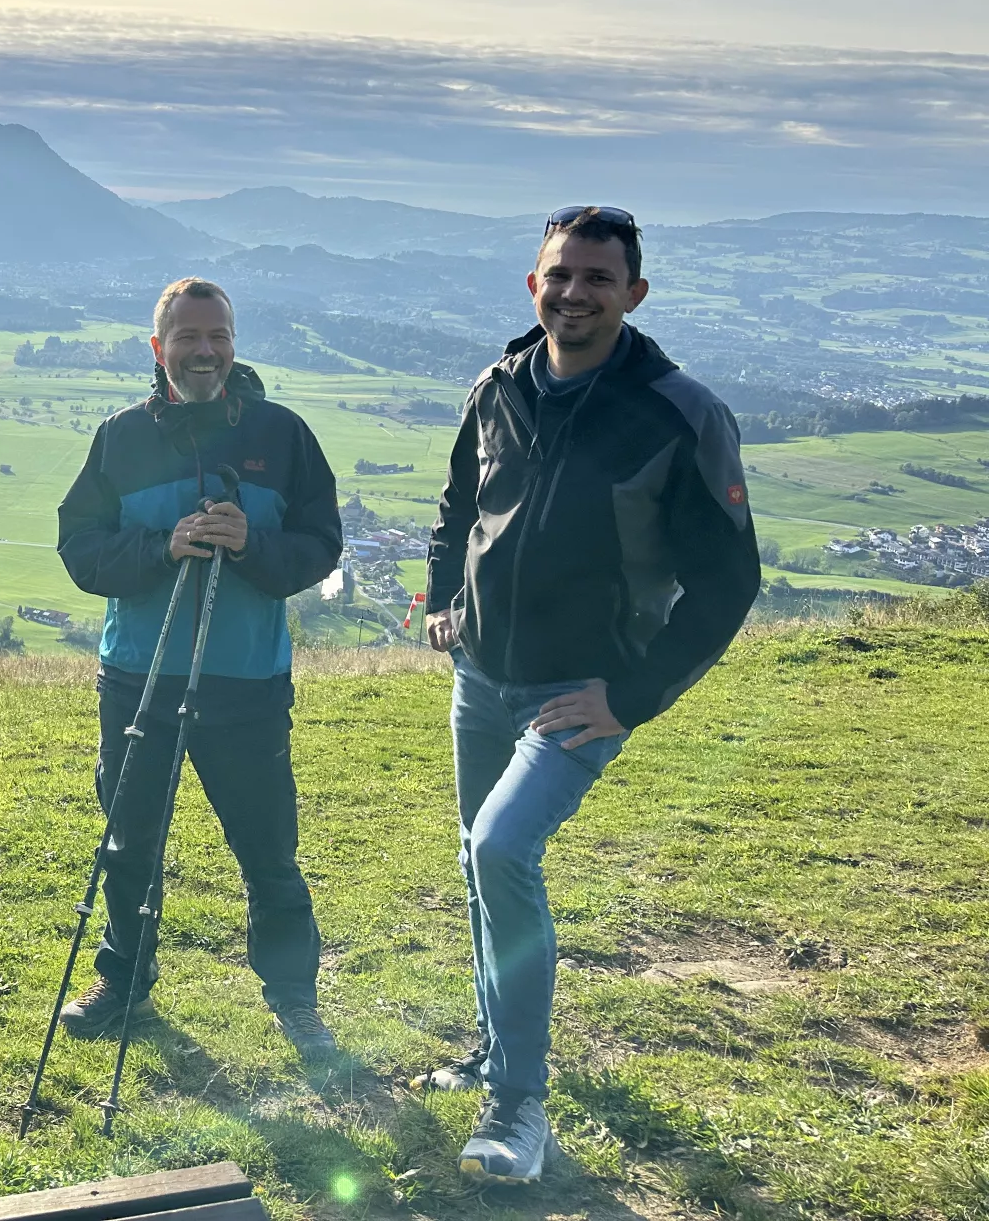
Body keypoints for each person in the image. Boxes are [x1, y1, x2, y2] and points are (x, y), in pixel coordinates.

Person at [421, 206, 761, 1184]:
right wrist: (444, 602)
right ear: (535, 284)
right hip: (480, 679)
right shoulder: (499, 385)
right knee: (478, 860)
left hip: (578, 691)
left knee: (501, 849)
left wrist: (636, 695)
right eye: (559, 275)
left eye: (597, 280)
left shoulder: (675, 410)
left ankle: (519, 1106)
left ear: (634, 295)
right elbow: (458, 506)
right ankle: (496, 1049)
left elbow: (730, 579)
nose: (574, 293)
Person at [55, 276, 343, 1058]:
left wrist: (252, 546)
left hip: (245, 680)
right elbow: (79, 549)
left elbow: (320, 547)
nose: (204, 351)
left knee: (268, 851)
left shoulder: (284, 435)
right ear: (159, 349)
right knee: (128, 838)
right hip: (138, 676)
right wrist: (160, 547)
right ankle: (122, 980)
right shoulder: (120, 437)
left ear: (233, 344)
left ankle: (295, 1000)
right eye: (187, 337)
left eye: (217, 336)